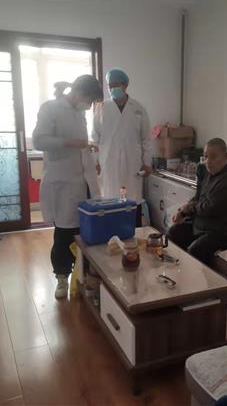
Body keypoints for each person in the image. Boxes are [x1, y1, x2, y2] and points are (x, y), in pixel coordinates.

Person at [33, 75, 103, 299]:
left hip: (84, 180)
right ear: (80, 92)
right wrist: (71, 143)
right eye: (89, 100)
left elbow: (81, 146)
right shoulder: (50, 108)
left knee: (87, 230)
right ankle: (62, 277)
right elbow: (39, 141)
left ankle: (84, 275)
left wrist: (89, 156)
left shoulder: (79, 113)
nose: (89, 106)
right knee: (64, 233)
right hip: (62, 183)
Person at [168, 138, 227, 265]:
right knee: (173, 232)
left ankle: (195, 276)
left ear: (226, 157)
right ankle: (174, 269)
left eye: (213, 157)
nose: (208, 161)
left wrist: (189, 208)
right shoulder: (206, 171)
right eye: (205, 156)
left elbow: (207, 208)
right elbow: (198, 197)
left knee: (194, 251)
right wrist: (182, 213)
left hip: (221, 230)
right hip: (202, 223)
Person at [93, 68, 153, 225]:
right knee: (110, 200)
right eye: (110, 85)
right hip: (108, 162)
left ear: (125, 85)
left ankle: (134, 232)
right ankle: (111, 234)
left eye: (116, 85)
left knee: (132, 200)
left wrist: (147, 163)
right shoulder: (102, 108)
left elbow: (146, 139)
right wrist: (95, 161)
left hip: (132, 163)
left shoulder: (138, 108)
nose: (112, 88)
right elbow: (95, 138)